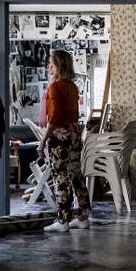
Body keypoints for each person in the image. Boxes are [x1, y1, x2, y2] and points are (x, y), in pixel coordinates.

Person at [41, 50, 90, 232]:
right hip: (75, 132)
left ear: (59, 65)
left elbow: (54, 117)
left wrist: (43, 140)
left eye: (51, 64)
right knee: (76, 174)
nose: (49, 67)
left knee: (60, 176)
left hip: (60, 135)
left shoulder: (55, 87)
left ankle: (63, 221)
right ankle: (83, 216)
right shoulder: (72, 86)